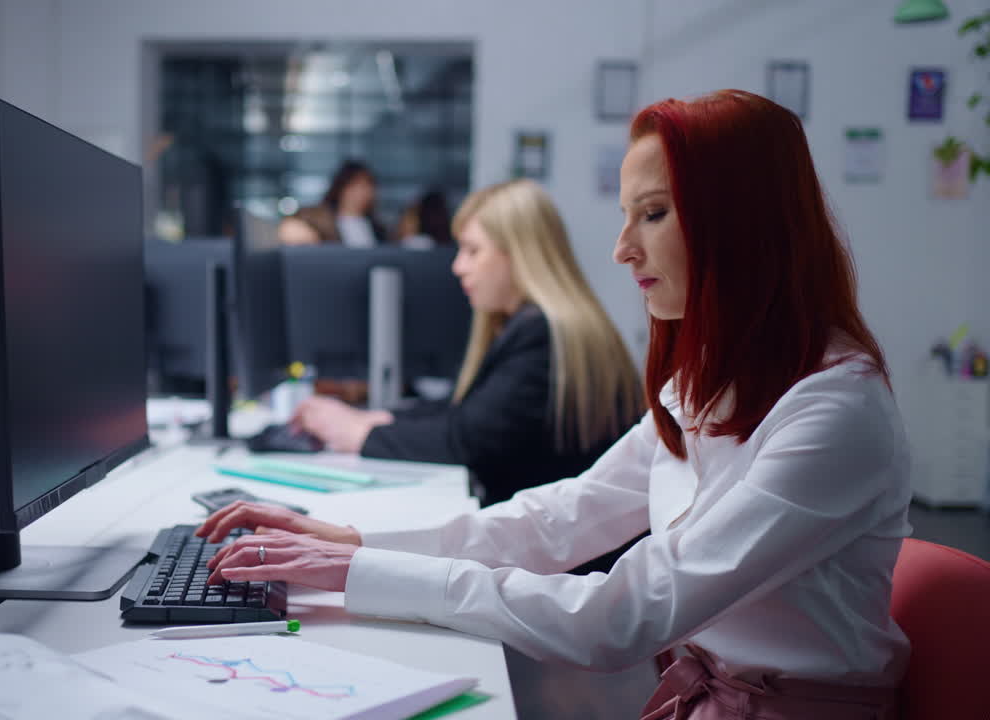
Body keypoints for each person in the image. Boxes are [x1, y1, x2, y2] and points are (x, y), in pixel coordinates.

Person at [198, 90, 911, 719]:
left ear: (745, 225)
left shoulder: (833, 412)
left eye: (654, 214)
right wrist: (351, 543)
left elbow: (616, 618)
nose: (623, 250)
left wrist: (359, 574)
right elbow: (562, 516)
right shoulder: (706, 383)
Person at [291, 178, 643, 509]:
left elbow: (467, 441)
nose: (458, 266)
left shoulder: (544, 336)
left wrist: (358, 432)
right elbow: (466, 409)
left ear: (519, 254)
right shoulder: (535, 325)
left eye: (473, 251)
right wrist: (377, 418)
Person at [277, 160, 384, 247]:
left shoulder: (378, 228)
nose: (361, 193)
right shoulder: (321, 219)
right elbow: (290, 229)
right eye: (355, 186)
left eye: (367, 187)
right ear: (341, 188)